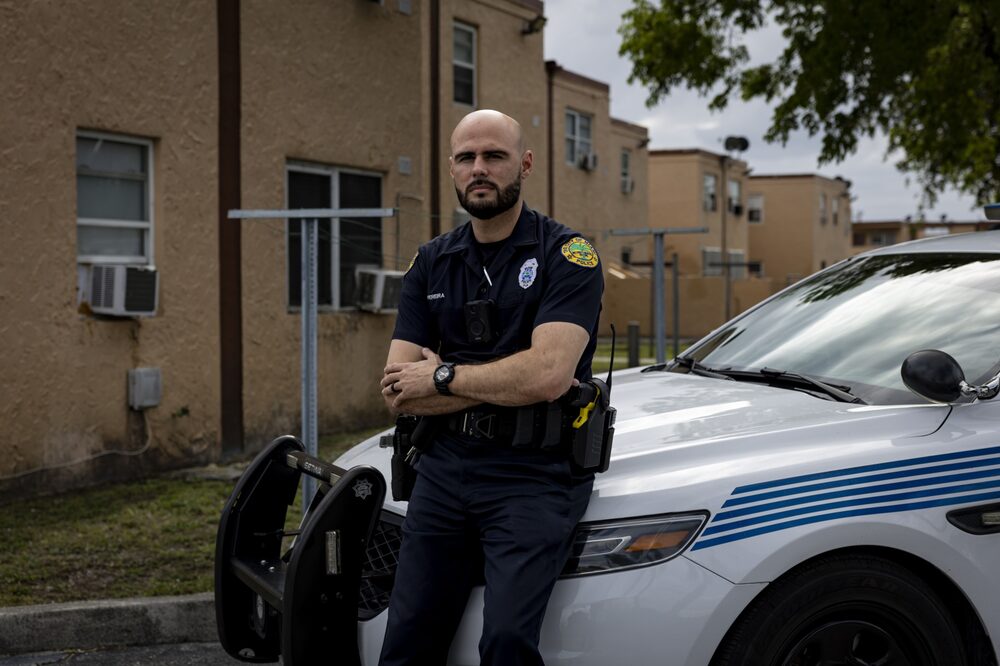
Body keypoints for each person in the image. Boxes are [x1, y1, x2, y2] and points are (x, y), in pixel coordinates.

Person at [377, 109, 604, 666]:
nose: (480, 169)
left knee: (505, 643)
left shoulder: (567, 256)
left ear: (524, 164)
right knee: (406, 643)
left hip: (534, 474)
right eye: (466, 158)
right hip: (443, 466)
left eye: (494, 156)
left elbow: (550, 376)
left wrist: (444, 375)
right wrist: (508, 378)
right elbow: (394, 390)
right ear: (453, 170)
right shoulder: (431, 263)